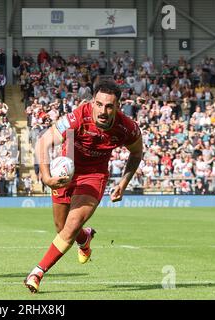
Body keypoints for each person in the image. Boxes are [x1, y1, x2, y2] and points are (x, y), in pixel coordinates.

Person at [24, 81, 143, 293]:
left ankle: (37, 272)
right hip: (66, 171)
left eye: (109, 106)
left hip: (93, 176)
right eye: (99, 104)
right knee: (62, 229)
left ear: (118, 106)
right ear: (92, 102)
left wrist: (124, 183)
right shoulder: (78, 117)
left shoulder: (127, 128)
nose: (103, 111)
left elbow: (136, 153)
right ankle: (85, 238)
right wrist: (46, 177)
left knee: (72, 224)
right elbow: (43, 142)